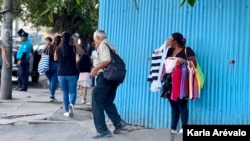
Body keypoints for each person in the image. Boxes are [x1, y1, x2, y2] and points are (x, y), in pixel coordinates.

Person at [90, 29, 127, 139]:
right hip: (114, 77)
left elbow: (107, 60)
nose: (95, 42)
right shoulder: (111, 45)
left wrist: (95, 69)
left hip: (106, 77)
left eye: (94, 39)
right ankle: (118, 123)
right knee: (107, 101)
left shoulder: (102, 45)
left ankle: (102, 130)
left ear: (97, 38)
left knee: (96, 98)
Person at [163, 32, 197, 133]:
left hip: (182, 81)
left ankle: (183, 127)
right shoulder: (169, 51)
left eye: (170, 38)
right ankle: (173, 128)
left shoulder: (187, 50)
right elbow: (161, 62)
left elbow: (194, 64)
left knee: (182, 104)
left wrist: (184, 61)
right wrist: (164, 47)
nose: (168, 39)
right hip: (169, 81)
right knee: (173, 105)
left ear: (175, 40)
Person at [54, 31, 79, 117]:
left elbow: (55, 58)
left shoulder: (58, 48)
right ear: (69, 39)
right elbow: (78, 58)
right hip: (72, 73)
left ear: (62, 38)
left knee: (65, 92)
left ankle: (67, 110)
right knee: (72, 91)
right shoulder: (73, 48)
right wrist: (75, 43)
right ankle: (71, 104)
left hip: (61, 73)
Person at [44, 36, 61, 102]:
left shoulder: (49, 46)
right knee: (53, 80)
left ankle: (52, 92)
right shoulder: (60, 47)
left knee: (51, 80)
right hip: (56, 65)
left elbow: (43, 54)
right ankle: (52, 95)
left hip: (47, 65)